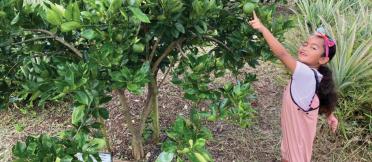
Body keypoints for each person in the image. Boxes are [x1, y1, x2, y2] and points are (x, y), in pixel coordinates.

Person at [248, 11, 339, 162]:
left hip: (297, 143)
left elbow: (282, 54)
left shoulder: (306, 75)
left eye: (314, 48)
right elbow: (322, 96)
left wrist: (262, 28)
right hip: (296, 138)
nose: (305, 48)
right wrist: (330, 115)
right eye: (305, 44)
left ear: (323, 59)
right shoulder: (314, 75)